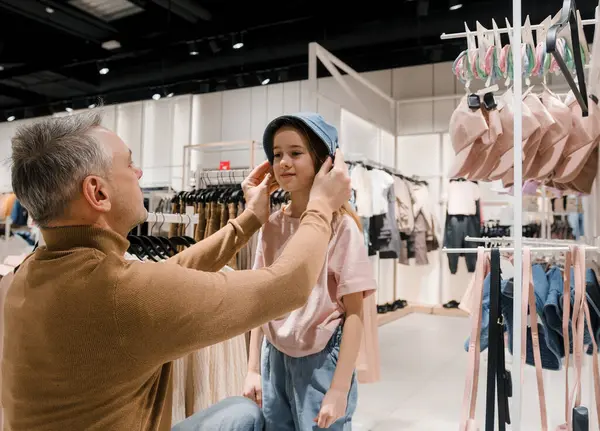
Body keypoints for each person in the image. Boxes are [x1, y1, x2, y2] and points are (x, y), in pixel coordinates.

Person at [1, 110, 352, 431]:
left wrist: (248, 221)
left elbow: (166, 275)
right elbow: (286, 286)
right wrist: (320, 207)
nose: (139, 173)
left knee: (240, 412)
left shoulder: (26, 275)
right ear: (97, 192)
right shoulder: (125, 293)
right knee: (244, 417)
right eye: (130, 164)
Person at [242, 113, 377, 430]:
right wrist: (252, 369)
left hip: (320, 359)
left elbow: (355, 312)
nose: (284, 162)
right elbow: (261, 300)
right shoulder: (272, 225)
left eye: (295, 152)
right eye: (277, 154)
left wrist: (340, 388)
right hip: (274, 356)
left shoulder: (342, 228)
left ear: (323, 162)